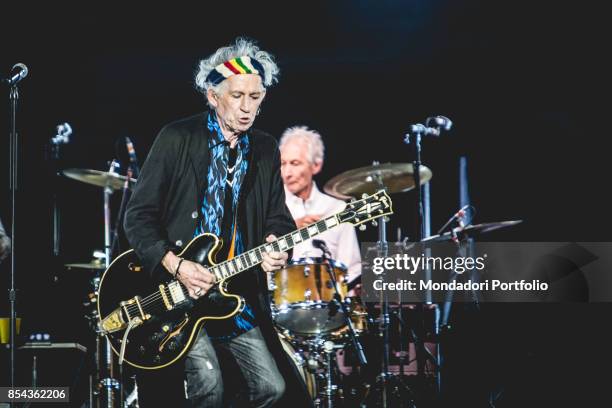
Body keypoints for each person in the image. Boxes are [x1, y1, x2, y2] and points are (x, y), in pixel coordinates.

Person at [124, 37, 312, 408]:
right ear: (213, 96)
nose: (246, 107)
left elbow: (278, 216)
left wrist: (279, 245)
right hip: (176, 294)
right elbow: (138, 215)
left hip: (233, 292)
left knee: (273, 387)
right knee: (208, 381)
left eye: (255, 97)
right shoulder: (177, 137)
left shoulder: (264, 147)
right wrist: (175, 264)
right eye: (237, 95)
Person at [279, 126, 361, 285]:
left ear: (316, 165)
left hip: (328, 304)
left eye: (295, 163)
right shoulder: (270, 207)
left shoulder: (337, 209)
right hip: (277, 304)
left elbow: (351, 269)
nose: (287, 173)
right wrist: (288, 230)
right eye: (283, 163)